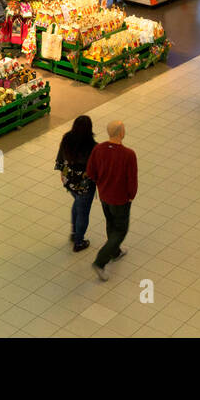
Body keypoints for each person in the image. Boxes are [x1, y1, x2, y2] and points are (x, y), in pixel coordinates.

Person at [86, 120, 138, 280]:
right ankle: (100, 261)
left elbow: (91, 172)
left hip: (104, 196)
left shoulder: (98, 149)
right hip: (120, 198)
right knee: (121, 230)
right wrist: (131, 195)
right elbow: (132, 179)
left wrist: (101, 183)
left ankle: (115, 251)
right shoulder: (128, 154)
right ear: (121, 132)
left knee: (110, 222)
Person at [55, 115, 97, 253]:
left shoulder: (67, 138)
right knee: (83, 213)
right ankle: (79, 242)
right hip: (84, 185)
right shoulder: (92, 146)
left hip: (69, 180)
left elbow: (60, 157)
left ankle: (74, 233)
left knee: (78, 203)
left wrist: (62, 172)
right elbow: (95, 168)